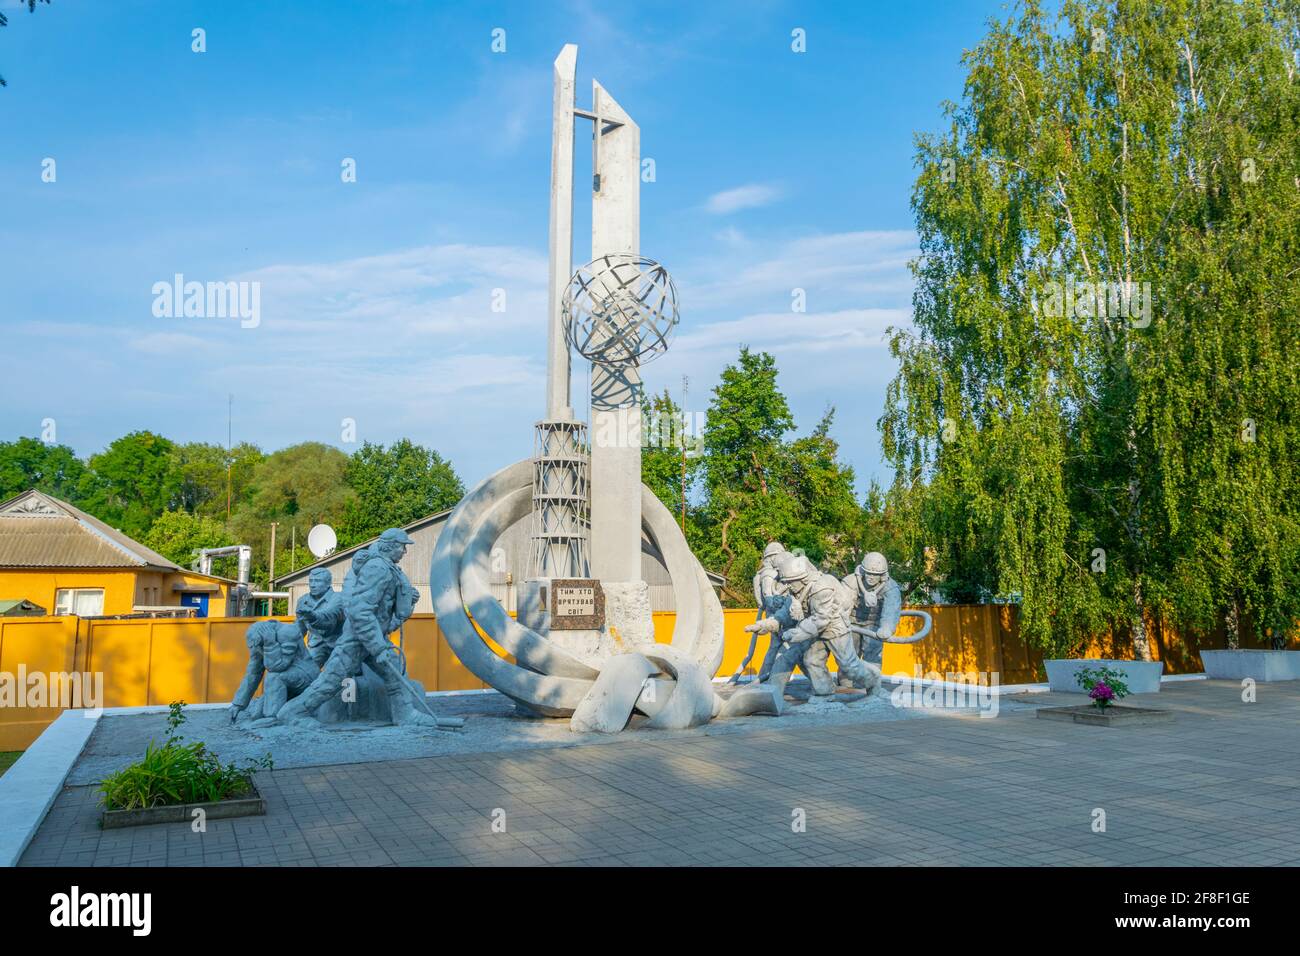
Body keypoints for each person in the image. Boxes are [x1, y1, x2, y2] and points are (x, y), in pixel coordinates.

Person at [275, 528, 442, 729]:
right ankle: (292, 712)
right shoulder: (377, 568)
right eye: (401, 546)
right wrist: (378, 647)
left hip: (372, 638)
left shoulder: (388, 568)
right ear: (389, 546)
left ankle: (405, 714)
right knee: (331, 680)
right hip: (359, 638)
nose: (404, 551)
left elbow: (386, 608)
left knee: (395, 674)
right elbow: (360, 610)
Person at [746, 552, 871, 697]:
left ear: (801, 579)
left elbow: (821, 619)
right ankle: (824, 693)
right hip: (812, 630)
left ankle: (874, 682)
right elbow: (785, 613)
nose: (787, 585)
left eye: (789, 582)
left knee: (850, 666)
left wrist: (796, 633)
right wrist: (767, 625)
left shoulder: (821, 587)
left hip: (835, 630)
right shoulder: (795, 591)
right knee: (811, 661)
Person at [229, 619, 318, 722]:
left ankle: (272, 718)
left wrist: (270, 643)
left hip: (307, 676)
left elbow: (278, 666)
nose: (259, 649)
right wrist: (238, 703)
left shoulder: (288, 631)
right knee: (256, 714)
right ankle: (270, 715)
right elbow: (254, 671)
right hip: (288, 681)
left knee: (274, 677)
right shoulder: (258, 637)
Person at [842, 551, 901, 669]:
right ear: (863, 571)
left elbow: (891, 610)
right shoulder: (851, 582)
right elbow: (843, 605)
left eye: (875, 574)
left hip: (874, 624)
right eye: (868, 573)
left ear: (883, 575)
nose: (871, 577)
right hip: (852, 623)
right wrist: (842, 621)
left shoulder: (890, 587)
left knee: (873, 651)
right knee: (849, 653)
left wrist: (886, 628)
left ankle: (871, 683)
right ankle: (846, 683)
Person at [296, 567, 346, 668]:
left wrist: (312, 616)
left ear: (328, 583)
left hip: (338, 645)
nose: (313, 585)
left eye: (318, 581)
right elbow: (299, 629)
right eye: (311, 581)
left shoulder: (338, 598)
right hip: (316, 645)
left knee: (336, 672)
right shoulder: (303, 601)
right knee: (307, 669)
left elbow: (328, 618)